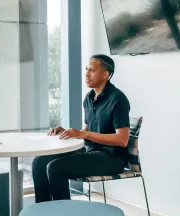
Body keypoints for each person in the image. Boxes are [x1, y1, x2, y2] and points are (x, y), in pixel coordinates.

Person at [32, 54, 130, 203]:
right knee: (39, 162)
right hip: (90, 151)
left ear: (105, 75)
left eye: (92, 70)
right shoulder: (89, 98)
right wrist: (69, 132)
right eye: (86, 69)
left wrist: (83, 133)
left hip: (111, 158)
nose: (86, 74)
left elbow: (122, 140)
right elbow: (87, 131)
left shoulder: (118, 99)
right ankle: (43, 212)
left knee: (55, 167)